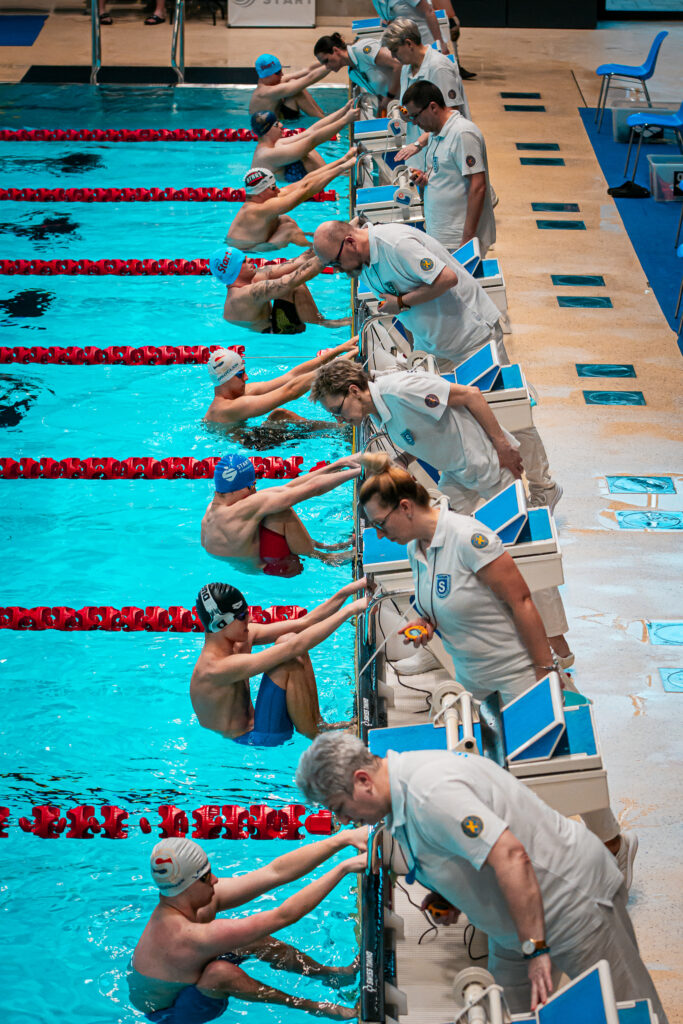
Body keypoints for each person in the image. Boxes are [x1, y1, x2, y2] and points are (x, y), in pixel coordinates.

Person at [296, 735, 665, 1017]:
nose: (344, 821)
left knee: (627, 1006)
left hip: (572, 903)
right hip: (516, 920)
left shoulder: (429, 794)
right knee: (510, 1007)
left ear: (362, 780)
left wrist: (536, 948)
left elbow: (510, 855)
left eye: (340, 808)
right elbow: (458, 847)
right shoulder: (401, 790)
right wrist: (450, 894)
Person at [310, 361, 571, 663]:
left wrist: (502, 446)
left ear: (354, 391)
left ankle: (560, 653)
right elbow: (424, 431)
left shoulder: (400, 390)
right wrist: (405, 459)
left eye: (337, 410)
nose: (340, 419)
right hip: (459, 476)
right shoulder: (381, 411)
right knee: (433, 536)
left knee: (525, 557)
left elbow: (471, 396)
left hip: (489, 466)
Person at [312, 219, 563, 512]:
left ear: (350, 243)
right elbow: (400, 310)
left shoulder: (396, 245)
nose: (339, 270)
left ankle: (542, 485)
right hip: (437, 345)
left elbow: (447, 278)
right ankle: (492, 475)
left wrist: (403, 301)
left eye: (336, 262)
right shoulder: (363, 265)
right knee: (461, 418)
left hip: (470, 335)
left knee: (509, 414)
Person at [128, 832, 368, 1022]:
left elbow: (274, 873)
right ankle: (313, 1006)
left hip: (177, 974)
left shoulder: (189, 901)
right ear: (189, 885)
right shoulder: (187, 936)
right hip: (172, 1010)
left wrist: (342, 839)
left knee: (247, 939)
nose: (215, 880)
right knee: (220, 973)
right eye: (207, 876)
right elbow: (283, 916)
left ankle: (330, 975)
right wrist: (342, 868)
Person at [190, 579, 366, 743]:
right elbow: (295, 648)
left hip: (261, 722)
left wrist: (348, 591)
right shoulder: (215, 668)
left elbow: (305, 622)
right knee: (288, 658)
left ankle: (320, 725)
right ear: (221, 623)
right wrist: (350, 610)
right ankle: (318, 736)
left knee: (287, 638)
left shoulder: (240, 638)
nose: (250, 619)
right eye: (242, 616)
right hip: (253, 740)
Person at [200, 451, 359, 576]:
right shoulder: (244, 508)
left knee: (274, 503)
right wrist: (359, 471)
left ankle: (324, 546)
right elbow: (313, 489)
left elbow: (288, 488)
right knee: (281, 511)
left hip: (248, 567)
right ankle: (324, 557)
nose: (255, 490)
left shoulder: (211, 510)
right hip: (278, 566)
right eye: (253, 485)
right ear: (244, 487)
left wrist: (337, 465)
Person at [402, 81, 495, 253]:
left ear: (433, 107)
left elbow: (478, 186)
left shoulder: (462, 133)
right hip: (441, 234)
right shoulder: (436, 133)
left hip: (457, 239)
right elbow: (444, 172)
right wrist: (425, 181)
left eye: (416, 116)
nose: (414, 123)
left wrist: (467, 240)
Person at [204, 340, 356, 429]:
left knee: (280, 416)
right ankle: (342, 432)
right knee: (281, 416)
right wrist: (336, 366)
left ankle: (340, 431)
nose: (246, 377)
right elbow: (290, 392)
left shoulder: (241, 392)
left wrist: (339, 350)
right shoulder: (226, 408)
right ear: (225, 379)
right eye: (240, 374)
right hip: (249, 448)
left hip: (251, 437)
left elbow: (291, 376)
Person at [381, 18, 469, 170]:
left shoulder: (438, 68)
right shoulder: (407, 69)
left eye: (395, 51)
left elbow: (452, 116)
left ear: (409, 44)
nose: (394, 57)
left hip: (444, 152)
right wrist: (403, 112)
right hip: (419, 152)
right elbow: (406, 107)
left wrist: (418, 144)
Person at [226, 152, 356, 254]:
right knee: (289, 230)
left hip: (259, 240)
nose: (277, 190)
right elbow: (306, 190)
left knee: (284, 220)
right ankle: (322, 253)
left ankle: (310, 238)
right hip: (249, 251)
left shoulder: (262, 199)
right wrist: (342, 168)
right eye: (273, 187)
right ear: (260, 192)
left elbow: (304, 181)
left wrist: (343, 161)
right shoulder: (258, 209)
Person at [208, 245, 349, 334]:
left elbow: (299, 261)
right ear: (235, 271)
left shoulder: (253, 277)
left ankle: (319, 323)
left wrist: (335, 239)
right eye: (243, 261)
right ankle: (322, 326)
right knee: (293, 285)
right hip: (271, 334)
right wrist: (330, 255)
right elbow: (292, 280)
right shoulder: (244, 295)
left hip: (275, 320)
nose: (250, 259)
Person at [250, 101, 359, 184]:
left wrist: (344, 111)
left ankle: (339, 174)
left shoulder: (275, 144)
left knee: (304, 146)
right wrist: (345, 120)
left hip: (306, 182)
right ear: (267, 132)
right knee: (305, 149)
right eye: (276, 124)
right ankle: (339, 175)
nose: (281, 126)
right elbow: (313, 140)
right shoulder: (268, 154)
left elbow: (310, 132)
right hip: (291, 192)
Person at [313, 33, 401, 116]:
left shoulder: (363, 50)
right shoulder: (353, 74)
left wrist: (389, 97)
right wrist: (381, 108)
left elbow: (398, 64)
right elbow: (381, 95)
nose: (327, 67)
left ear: (335, 50)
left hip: (411, 94)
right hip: (401, 106)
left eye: (326, 61)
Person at [249, 53, 329, 120]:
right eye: (278, 72)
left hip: (281, 116)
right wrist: (331, 65)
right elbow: (308, 79)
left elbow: (308, 70)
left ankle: (322, 115)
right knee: (296, 90)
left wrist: (330, 58)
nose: (282, 74)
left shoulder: (270, 82)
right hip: (270, 128)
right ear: (266, 75)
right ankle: (324, 121)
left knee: (294, 82)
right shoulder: (266, 92)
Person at [370, 0, 449, 52]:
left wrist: (441, 43)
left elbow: (429, 11)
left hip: (427, 42)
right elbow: (386, 17)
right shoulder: (376, 1)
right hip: (405, 46)